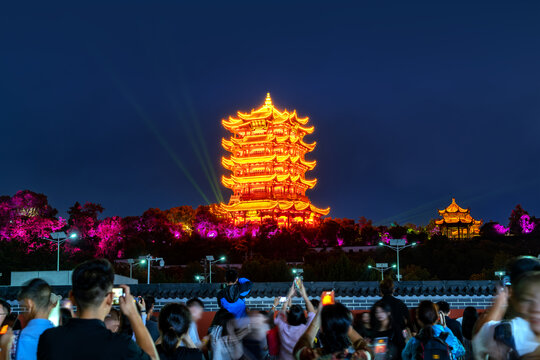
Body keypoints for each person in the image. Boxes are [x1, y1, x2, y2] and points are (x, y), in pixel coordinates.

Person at [37, 258, 159, 360]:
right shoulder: (122, 345)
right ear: (110, 298)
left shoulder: (49, 339)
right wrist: (134, 315)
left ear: (71, 297)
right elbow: (153, 358)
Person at [473, 271, 540, 360]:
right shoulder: (509, 332)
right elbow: (484, 330)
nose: (536, 308)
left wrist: (500, 301)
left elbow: (482, 331)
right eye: (528, 300)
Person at [294, 302, 370, 360]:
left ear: (322, 328)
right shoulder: (358, 357)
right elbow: (368, 350)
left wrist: (319, 315)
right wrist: (344, 323)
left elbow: (300, 348)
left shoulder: (313, 356)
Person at [12, 278, 57, 360]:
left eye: (23, 307)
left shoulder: (13, 340)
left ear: (29, 303)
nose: (22, 313)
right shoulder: (64, 337)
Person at [274, 282, 316, 360]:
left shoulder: (282, 326)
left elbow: (282, 311)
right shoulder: (307, 329)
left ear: (288, 317)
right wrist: (304, 295)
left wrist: (289, 295)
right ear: (303, 316)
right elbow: (313, 313)